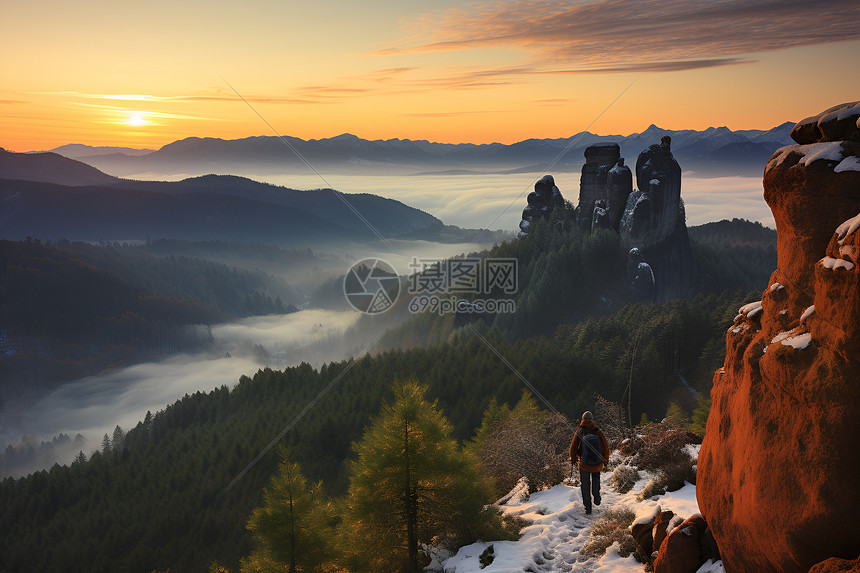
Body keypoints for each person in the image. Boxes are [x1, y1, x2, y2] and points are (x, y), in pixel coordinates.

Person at [569, 410, 611, 514]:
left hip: (583, 464)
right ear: (592, 420)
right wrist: (606, 459)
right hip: (597, 463)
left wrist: (573, 459)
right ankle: (596, 495)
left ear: (582, 420)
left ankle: (588, 507)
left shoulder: (580, 431)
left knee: (585, 484)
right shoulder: (598, 431)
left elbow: (573, 447)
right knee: (596, 479)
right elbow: (605, 447)